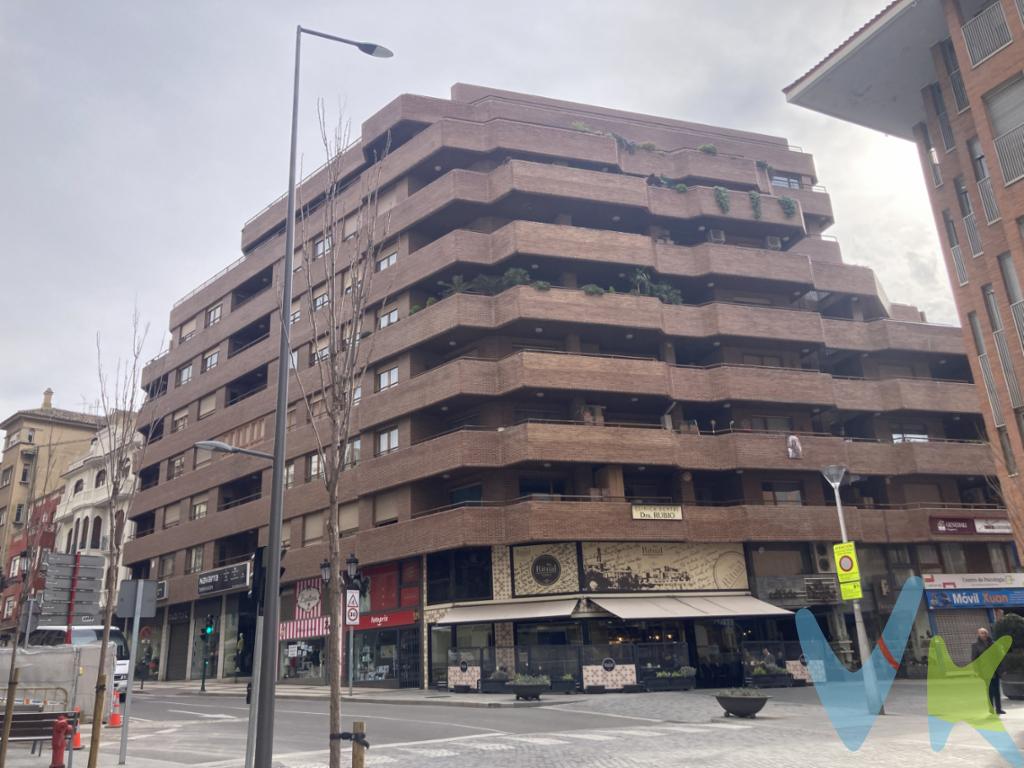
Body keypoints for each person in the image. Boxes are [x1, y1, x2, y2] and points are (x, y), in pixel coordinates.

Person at [971, 627, 1006, 715]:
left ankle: (999, 709)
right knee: (989, 690)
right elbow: (974, 659)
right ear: (978, 634)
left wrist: (1002, 669)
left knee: (997, 690)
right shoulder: (975, 645)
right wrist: (976, 671)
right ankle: (991, 709)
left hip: (995, 670)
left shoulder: (994, 643)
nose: (984, 634)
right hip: (985, 671)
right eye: (982, 633)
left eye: (985, 633)